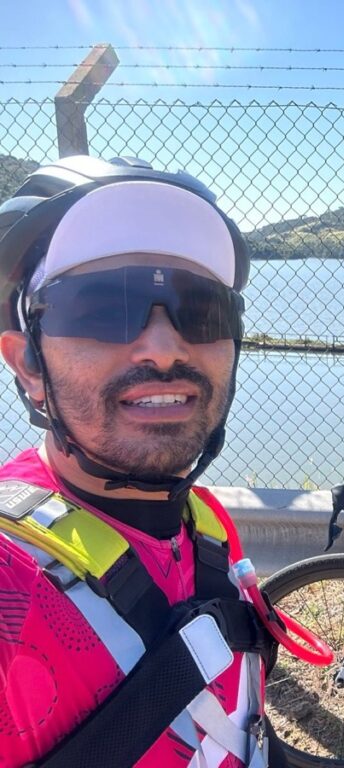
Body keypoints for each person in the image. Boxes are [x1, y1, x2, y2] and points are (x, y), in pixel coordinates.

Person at [0, 156, 285, 767]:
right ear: (27, 363)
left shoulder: (206, 526)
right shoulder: (10, 582)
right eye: (104, 308)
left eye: (201, 309)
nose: (163, 348)